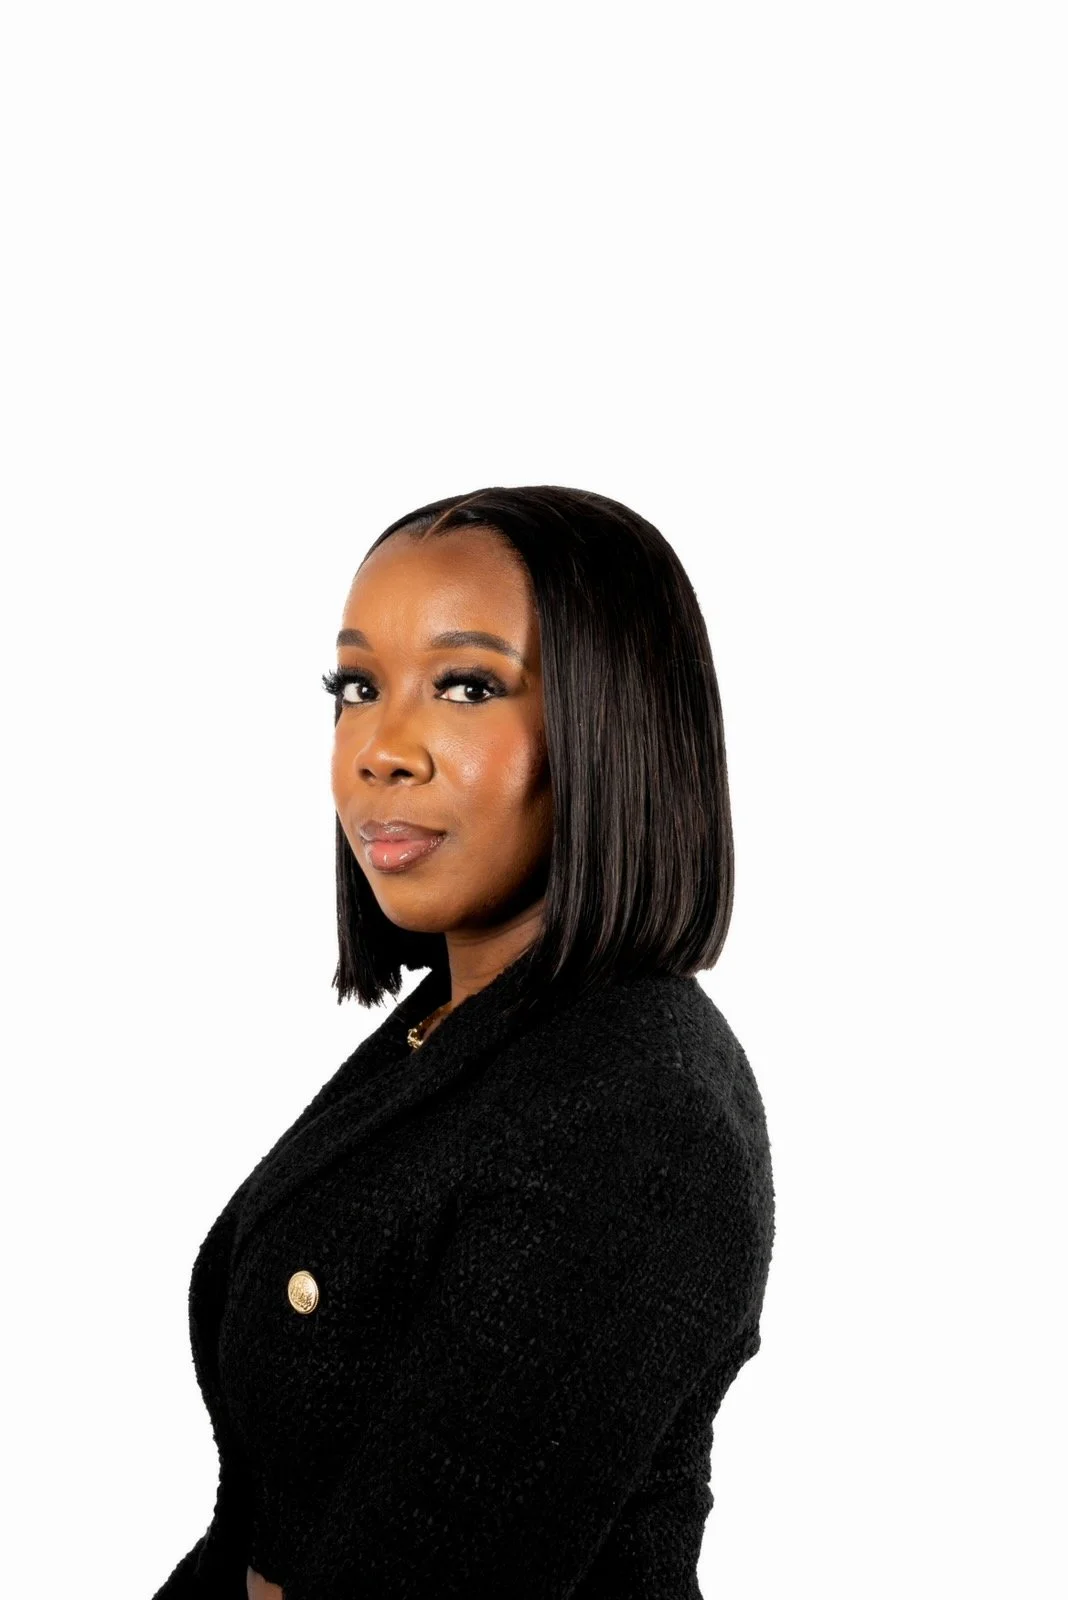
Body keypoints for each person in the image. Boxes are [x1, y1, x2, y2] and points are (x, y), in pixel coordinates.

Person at [152, 485, 776, 1600]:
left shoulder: (639, 1113)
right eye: (356, 688)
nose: (379, 749)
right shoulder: (454, 1022)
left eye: (467, 686)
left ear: (611, 725)